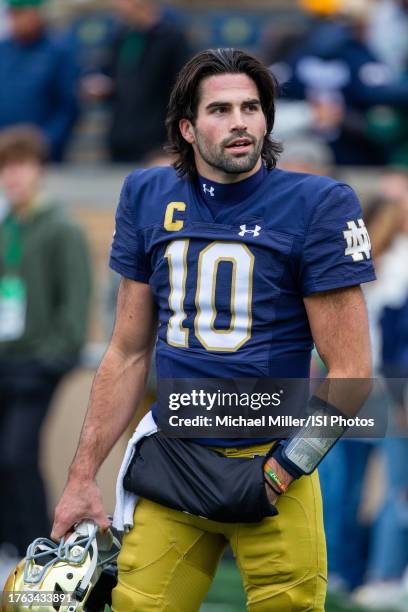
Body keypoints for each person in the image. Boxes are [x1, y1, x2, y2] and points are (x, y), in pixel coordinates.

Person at [52, 49, 375, 611]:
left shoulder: (317, 203)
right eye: (221, 109)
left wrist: (281, 471)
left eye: (251, 107)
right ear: (187, 126)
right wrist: (83, 476)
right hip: (175, 459)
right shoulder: (147, 194)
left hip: (270, 461)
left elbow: (351, 376)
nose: (240, 122)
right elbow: (127, 351)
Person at [0, 125, 91, 573]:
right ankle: (9, 547)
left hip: (37, 365)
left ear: (39, 170)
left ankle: (39, 553)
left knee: (17, 455)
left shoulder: (61, 228)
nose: (12, 177)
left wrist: (54, 356)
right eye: (5, 168)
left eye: (20, 166)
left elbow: (75, 304)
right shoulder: (7, 226)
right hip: (5, 360)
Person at [82, 0, 190, 163]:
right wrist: (99, 87)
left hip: (157, 143)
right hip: (120, 138)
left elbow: (183, 92)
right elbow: (111, 77)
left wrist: (174, 140)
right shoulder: (121, 38)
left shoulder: (172, 39)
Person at [0, 0, 79, 162]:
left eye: (25, 13)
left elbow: (68, 106)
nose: (19, 20)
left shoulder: (58, 52)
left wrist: (48, 141)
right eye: (15, 14)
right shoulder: (3, 50)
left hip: (41, 152)